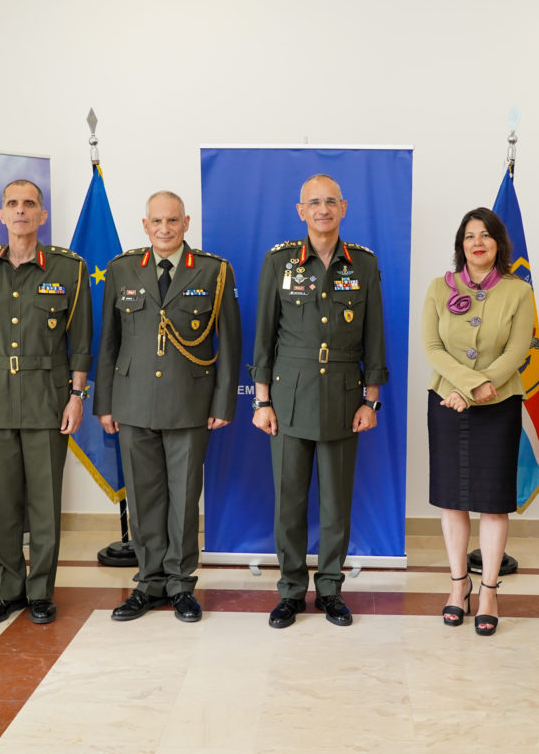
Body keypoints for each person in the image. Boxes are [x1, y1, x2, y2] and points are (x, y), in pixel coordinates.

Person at [95, 190, 241, 623]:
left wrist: (223, 402)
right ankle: (148, 582)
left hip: (188, 403)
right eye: (156, 221)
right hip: (133, 402)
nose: (164, 228)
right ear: (145, 225)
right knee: (143, 499)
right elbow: (108, 341)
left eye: (172, 220)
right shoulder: (122, 269)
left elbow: (230, 343)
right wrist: (105, 403)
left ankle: (180, 584)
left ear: (186, 223)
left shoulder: (214, 271)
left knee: (183, 498)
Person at [250, 174, 387, 629]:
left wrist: (371, 400)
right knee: (289, 503)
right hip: (288, 397)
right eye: (314, 202)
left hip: (344, 398)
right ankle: (291, 590)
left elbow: (375, 335)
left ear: (343, 208)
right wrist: (261, 401)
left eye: (330, 202)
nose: (322, 210)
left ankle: (330, 589)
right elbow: (264, 334)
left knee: (335, 505)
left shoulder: (362, 263)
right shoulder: (279, 261)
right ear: (301, 211)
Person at [0, 179, 93, 626]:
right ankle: (7, 590)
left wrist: (76, 397)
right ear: (1, 215)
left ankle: (40, 592)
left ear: (42, 215)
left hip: (46, 398)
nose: (21, 211)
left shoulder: (68, 269)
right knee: (0, 504)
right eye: (13, 204)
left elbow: (81, 343)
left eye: (29, 204)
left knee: (44, 503)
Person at [422, 207, 535, 636]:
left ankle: (488, 590)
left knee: (492, 501)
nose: (477, 242)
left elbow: (516, 351)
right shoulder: (439, 288)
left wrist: (472, 390)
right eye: (470, 236)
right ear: (461, 245)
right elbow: (432, 348)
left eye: (485, 235)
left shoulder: (518, 291)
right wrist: (468, 386)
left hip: (499, 403)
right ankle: (458, 585)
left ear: (498, 243)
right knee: (452, 499)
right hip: (446, 402)